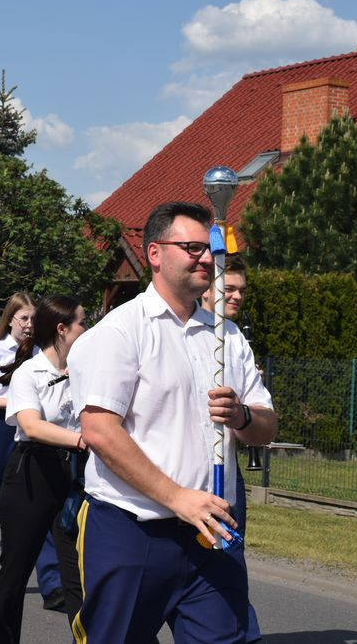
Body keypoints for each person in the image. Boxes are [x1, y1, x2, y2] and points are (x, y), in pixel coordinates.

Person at [68, 202, 277, 643]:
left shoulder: (226, 336)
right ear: (156, 254)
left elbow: (267, 426)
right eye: (193, 247)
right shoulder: (119, 332)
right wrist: (178, 498)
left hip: (213, 536)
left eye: (210, 249)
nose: (207, 258)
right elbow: (100, 431)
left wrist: (241, 416)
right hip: (133, 531)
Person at [0, 295, 88, 643]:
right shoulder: (29, 371)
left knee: (78, 579)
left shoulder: (85, 371)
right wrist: (79, 440)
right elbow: (32, 426)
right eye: (82, 323)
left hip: (73, 477)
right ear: (62, 329)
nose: (87, 330)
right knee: (14, 574)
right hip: (31, 475)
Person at [0, 293, 63, 609]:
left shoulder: (40, 356)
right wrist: (18, 401)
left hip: (31, 435)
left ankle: (52, 585)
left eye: (35, 319)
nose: (30, 325)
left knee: (42, 505)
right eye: (24, 319)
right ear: (11, 320)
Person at [200, 255, 262, 644]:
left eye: (242, 290)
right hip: (178, 481)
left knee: (229, 567)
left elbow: (262, 414)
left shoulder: (237, 336)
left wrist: (245, 415)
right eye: (230, 289)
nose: (237, 296)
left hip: (225, 475)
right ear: (208, 289)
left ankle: (243, 634)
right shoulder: (184, 329)